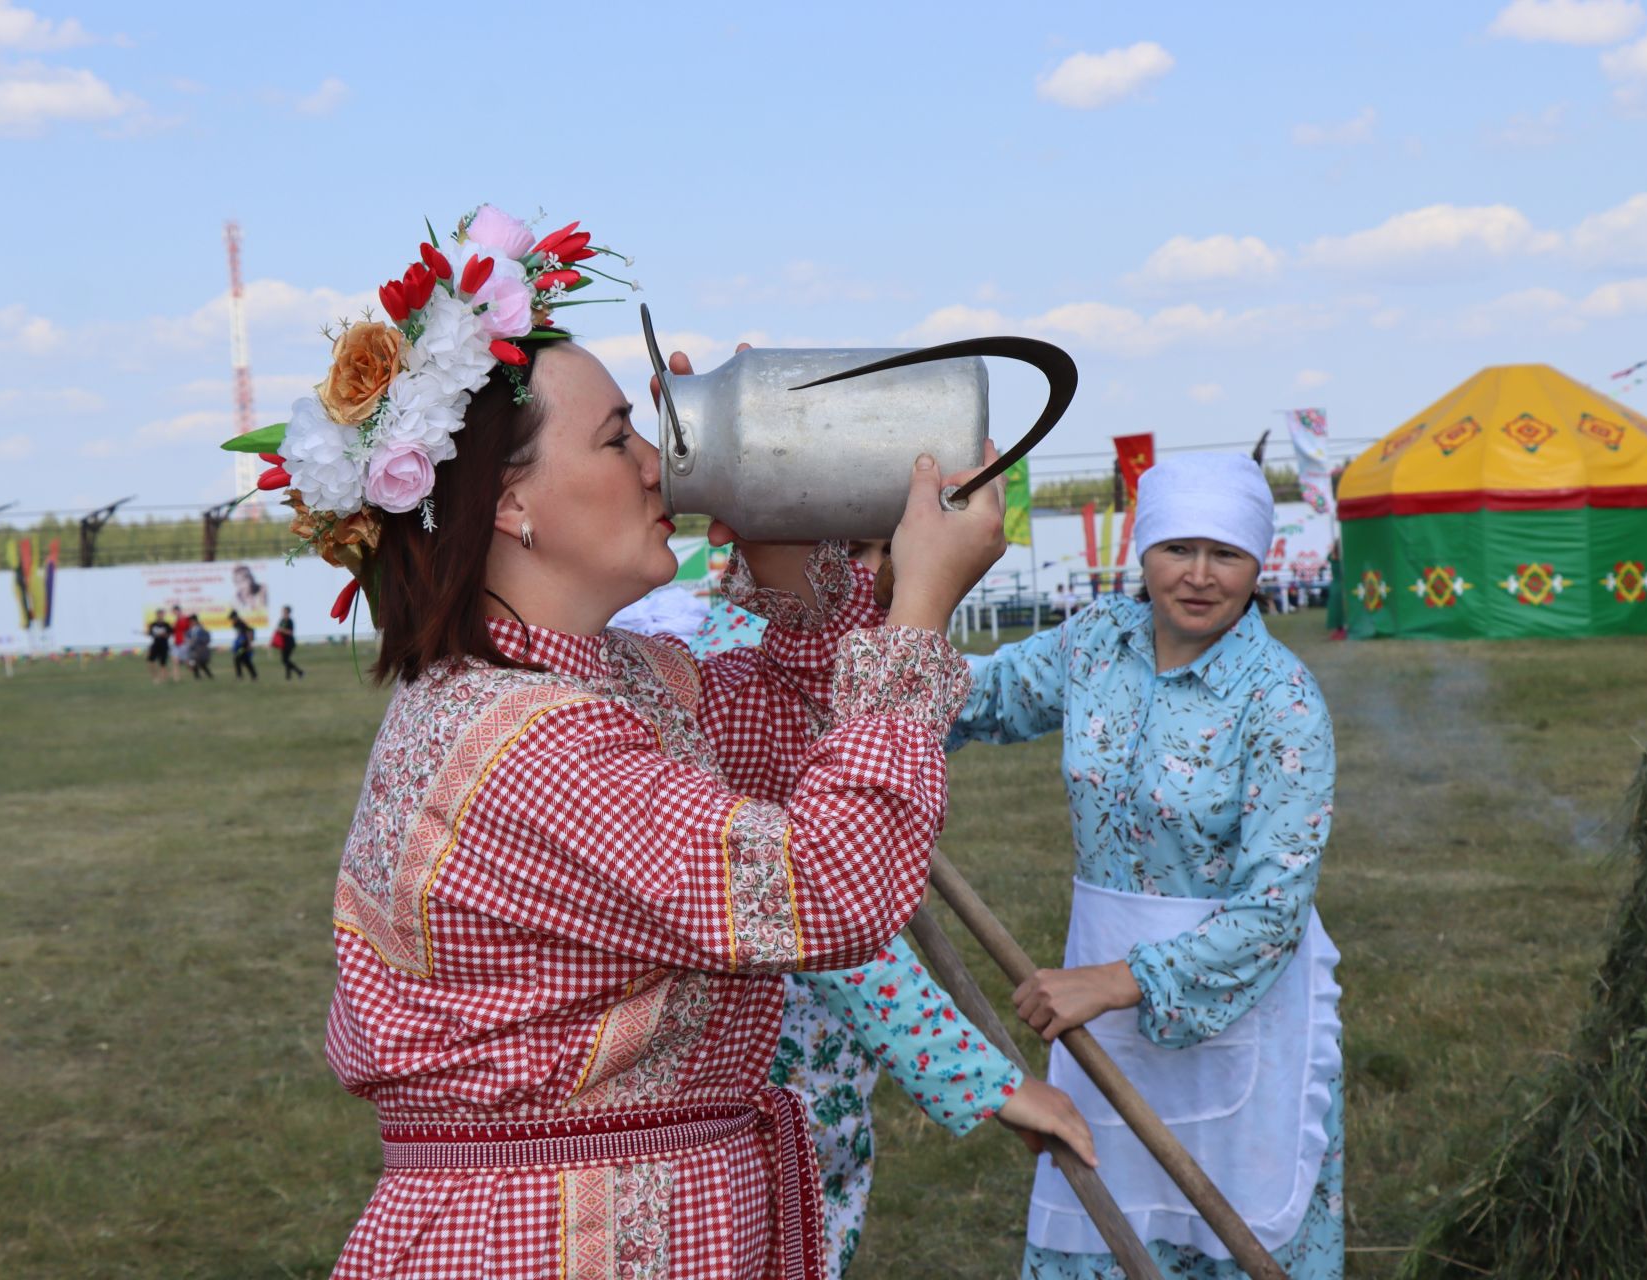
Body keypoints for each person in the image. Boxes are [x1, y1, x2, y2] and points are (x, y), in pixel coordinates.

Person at [280, 201, 1081, 1278]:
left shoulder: (593, 681)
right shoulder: (532, 745)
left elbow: (790, 735)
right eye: (621, 437)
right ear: (511, 503)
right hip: (560, 1243)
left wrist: (780, 511)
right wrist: (920, 610)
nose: (662, 466)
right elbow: (825, 885)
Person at [949, 453, 1344, 1280]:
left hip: (1232, 998)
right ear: (1143, 549)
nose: (1199, 576)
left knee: (1228, 1228)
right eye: (1177, 548)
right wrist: (869, 662)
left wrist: (1112, 982)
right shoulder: (1100, 641)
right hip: (1098, 1001)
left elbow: (1272, 912)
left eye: (1226, 554)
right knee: (1102, 1223)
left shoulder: (1282, 699)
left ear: (1259, 561)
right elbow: (986, 696)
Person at [704, 539, 1092, 1278]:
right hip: (765, 1037)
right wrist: (986, 1079)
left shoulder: (826, 633)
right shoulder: (753, 654)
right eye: (861, 547)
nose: (883, 567)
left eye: (894, 544)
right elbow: (820, 909)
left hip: (814, 1041)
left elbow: (966, 699)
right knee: (784, 1227)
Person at [271, 605, 304, 679]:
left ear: (288, 612)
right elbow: (278, 630)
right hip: (283, 643)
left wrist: (282, 630)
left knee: (285, 660)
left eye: (284, 611)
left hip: (289, 643)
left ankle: (299, 672)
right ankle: (288, 676)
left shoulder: (290, 621)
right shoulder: (282, 620)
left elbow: (290, 632)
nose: (283, 612)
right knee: (286, 660)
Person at [229, 610, 258, 680]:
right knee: (245, 660)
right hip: (241, 645)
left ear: (235, 617)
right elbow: (239, 634)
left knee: (237, 658)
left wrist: (249, 644)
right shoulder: (237, 624)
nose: (232, 620)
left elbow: (248, 632)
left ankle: (240, 676)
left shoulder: (240, 623)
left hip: (244, 645)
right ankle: (253, 675)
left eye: (232, 618)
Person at [143, 611, 171, 685]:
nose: (160, 616)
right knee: (151, 661)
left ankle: (163, 679)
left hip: (164, 645)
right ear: (157, 615)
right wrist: (147, 633)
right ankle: (155, 677)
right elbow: (149, 633)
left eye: (162, 614)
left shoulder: (166, 624)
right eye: (159, 614)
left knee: (163, 663)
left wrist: (163, 634)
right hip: (156, 644)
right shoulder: (153, 624)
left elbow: (168, 634)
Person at [185, 614, 214, 679]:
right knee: (193, 662)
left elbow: (207, 638)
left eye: (191, 621)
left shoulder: (201, 629)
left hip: (201, 649)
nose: (190, 622)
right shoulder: (189, 630)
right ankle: (197, 676)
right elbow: (187, 637)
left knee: (202, 663)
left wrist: (198, 641)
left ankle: (209, 675)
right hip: (192, 649)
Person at [168, 605, 188, 683]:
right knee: (174, 661)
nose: (174, 613)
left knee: (185, 662)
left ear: (178, 610)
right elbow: (173, 631)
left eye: (174, 611)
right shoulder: (176, 620)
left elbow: (186, 629)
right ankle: (176, 678)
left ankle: (195, 670)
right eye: (173, 611)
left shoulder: (184, 619)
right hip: (176, 643)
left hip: (183, 643)